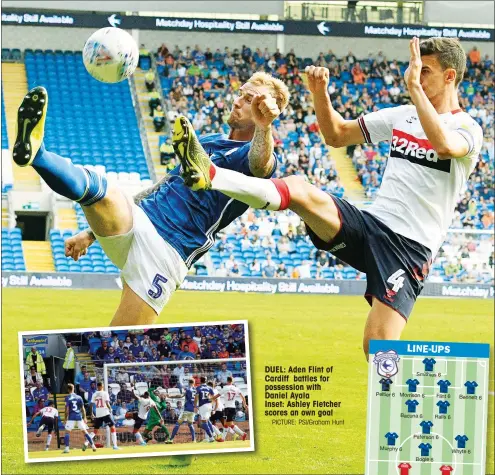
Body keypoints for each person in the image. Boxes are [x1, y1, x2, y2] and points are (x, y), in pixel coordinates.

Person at [177, 37, 483, 359]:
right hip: (371, 225)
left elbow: (445, 147)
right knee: (298, 189)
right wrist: (319, 92)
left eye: (426, 72)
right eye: (415, 70)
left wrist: (416, 91)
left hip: (408, 247)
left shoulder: (466, 127)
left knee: (378, 350)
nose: (416, 78)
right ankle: (211, 175)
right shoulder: (402, 116)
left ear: (450, 77)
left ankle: (417, 398)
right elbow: (336, 134)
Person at [14, 72, 289, 326]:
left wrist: (265, 127)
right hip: (140, 218)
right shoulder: (207, 141)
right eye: (241, 93)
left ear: (263, 111)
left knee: (115, 353)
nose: (238, 101)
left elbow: (261, 164)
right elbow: (161, 185)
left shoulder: (254, 158)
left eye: (250, 100)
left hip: (167, 251)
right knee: (102, 190)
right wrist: (89, 234)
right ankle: (38, 154)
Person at [63, 383, 96, 454]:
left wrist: (65, 418)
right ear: (73, 388)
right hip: (79, 417)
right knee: (85, 432)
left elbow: (67, 410)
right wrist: (84, 417)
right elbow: (83, 409)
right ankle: (93, 446)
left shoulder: (67, 398)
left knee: (67, 432)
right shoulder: (79, 397)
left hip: (71, 417)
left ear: (68, 389)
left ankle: (67, 448)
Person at [87, 382, 119, 450]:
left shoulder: (94, 394)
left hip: (98, 414)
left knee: (95, 430)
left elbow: (91, 405)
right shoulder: (105, 393)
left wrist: (92, 413)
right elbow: (107, 403)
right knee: (113, 427)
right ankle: (115, 446)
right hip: (105, 413)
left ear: (97, 387)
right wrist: (110, 409)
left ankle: (86, 442)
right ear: (102, 386)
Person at [168, 378, 197, 443]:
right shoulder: (196, 390)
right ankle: (194, 440)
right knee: (190, 424)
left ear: (189, 383)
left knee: (177, 424)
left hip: (186, 409)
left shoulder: (187, 389)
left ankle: (171, 439)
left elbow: (180, 396)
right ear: (194, 383)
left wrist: (170, 396)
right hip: (193, 410)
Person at [219, 377, 248, 441]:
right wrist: (245, 404)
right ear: (232, 381)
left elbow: (217, 395)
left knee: (229, 424)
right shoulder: (236, 388)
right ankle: (223, 439)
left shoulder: (225, 388)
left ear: (227, 381)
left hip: (227, 408)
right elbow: (242, 396)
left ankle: (243, 434)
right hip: (233, 408)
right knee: (226, 424)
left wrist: (211, 399)